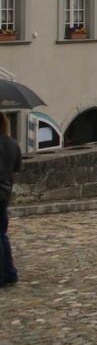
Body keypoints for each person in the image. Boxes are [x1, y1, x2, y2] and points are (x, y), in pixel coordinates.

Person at [1, 114, 21, 288]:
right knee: (2, 235)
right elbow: (17, 167)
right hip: (4, 193)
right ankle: (9, 273)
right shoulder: (12, 144)